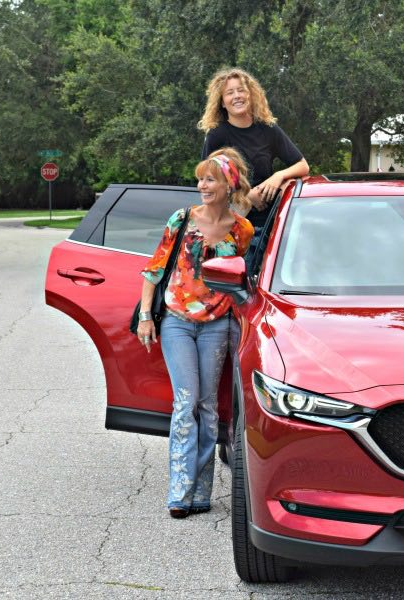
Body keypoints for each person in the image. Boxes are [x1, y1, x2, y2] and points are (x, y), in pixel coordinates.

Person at [136, 148, 255, 518]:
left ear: (228, 185)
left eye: (210, 179)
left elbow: (238, 279)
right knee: (185, 402)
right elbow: (155, 268)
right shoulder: (182, 219)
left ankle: (201, 492)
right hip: (176, 321)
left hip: (217, 324)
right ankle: (179, 491)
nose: (202, 185)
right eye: (201, 178)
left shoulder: (241, 229)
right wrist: (145, 315)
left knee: (207, 406)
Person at [198, 67, 309, 230]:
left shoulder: (268, 129)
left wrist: (278, 176)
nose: (237, 96)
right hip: (232, 226)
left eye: (241, 90)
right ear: (222, 102)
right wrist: (246, 197)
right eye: (229, 93)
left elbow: (302, 165)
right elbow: (207, 182)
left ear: (250, 94)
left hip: (270, 226)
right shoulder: (217, 135)